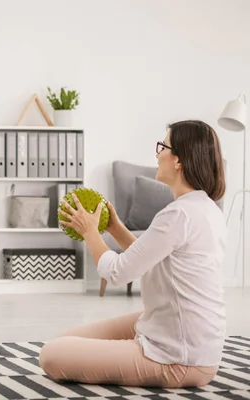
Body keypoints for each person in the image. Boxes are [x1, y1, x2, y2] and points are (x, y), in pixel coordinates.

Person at [39, 120, 227, 388]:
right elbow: (145, 258)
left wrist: (90, 233)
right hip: (192, 340)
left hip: (179, 359)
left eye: (163, 146)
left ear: (179, 160)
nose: (157, 153)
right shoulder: (203, 208)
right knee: (66, 338)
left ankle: (140, 355)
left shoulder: (179, 214)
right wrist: (115, 228)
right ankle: (133, 349)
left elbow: (118, 272)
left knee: (51, 355)